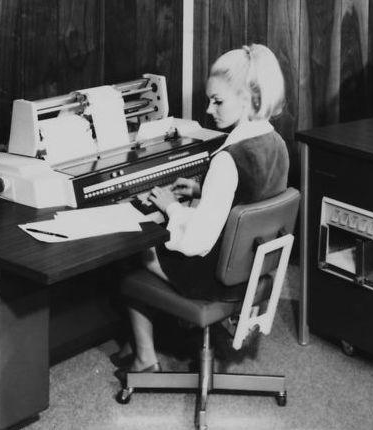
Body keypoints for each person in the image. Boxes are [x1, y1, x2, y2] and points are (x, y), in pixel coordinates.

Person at [118, 43, 289, 373]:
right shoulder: (276, 143)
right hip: (254, 269)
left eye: (218, 101)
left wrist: (171, 207)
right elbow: (255, 200)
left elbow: (197, 243)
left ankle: (145, 357)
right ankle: (161, 336)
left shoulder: (227, 159)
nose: (209, 109)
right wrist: (203, 191)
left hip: (216, 278)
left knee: (135, 245)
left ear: (248, 98)